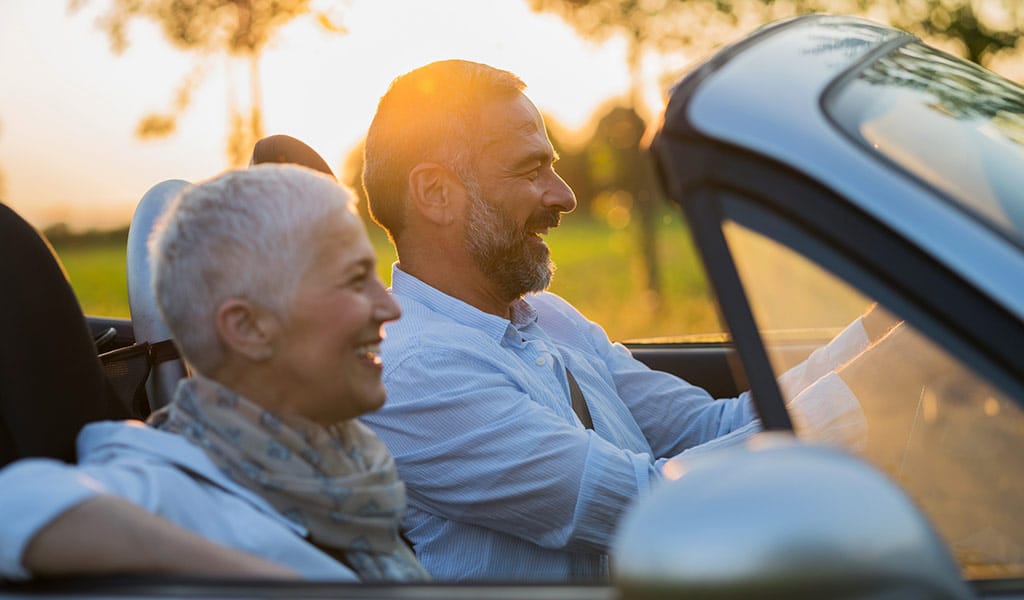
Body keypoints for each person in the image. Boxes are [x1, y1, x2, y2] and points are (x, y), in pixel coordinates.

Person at [358, 59, 888, 581]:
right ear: (435, 194)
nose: (564, 195)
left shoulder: (548, 317)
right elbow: (653, 506)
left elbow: (709, 430)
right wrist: (882, 383)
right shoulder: (415, 372)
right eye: (529, 168)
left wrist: (881, 333)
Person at [0, 165, 429, 582]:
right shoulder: (174, 487)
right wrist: (276, 582)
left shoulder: (348, 466)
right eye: (355, 281)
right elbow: (16, 504)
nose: (390, 308)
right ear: (248, 328)